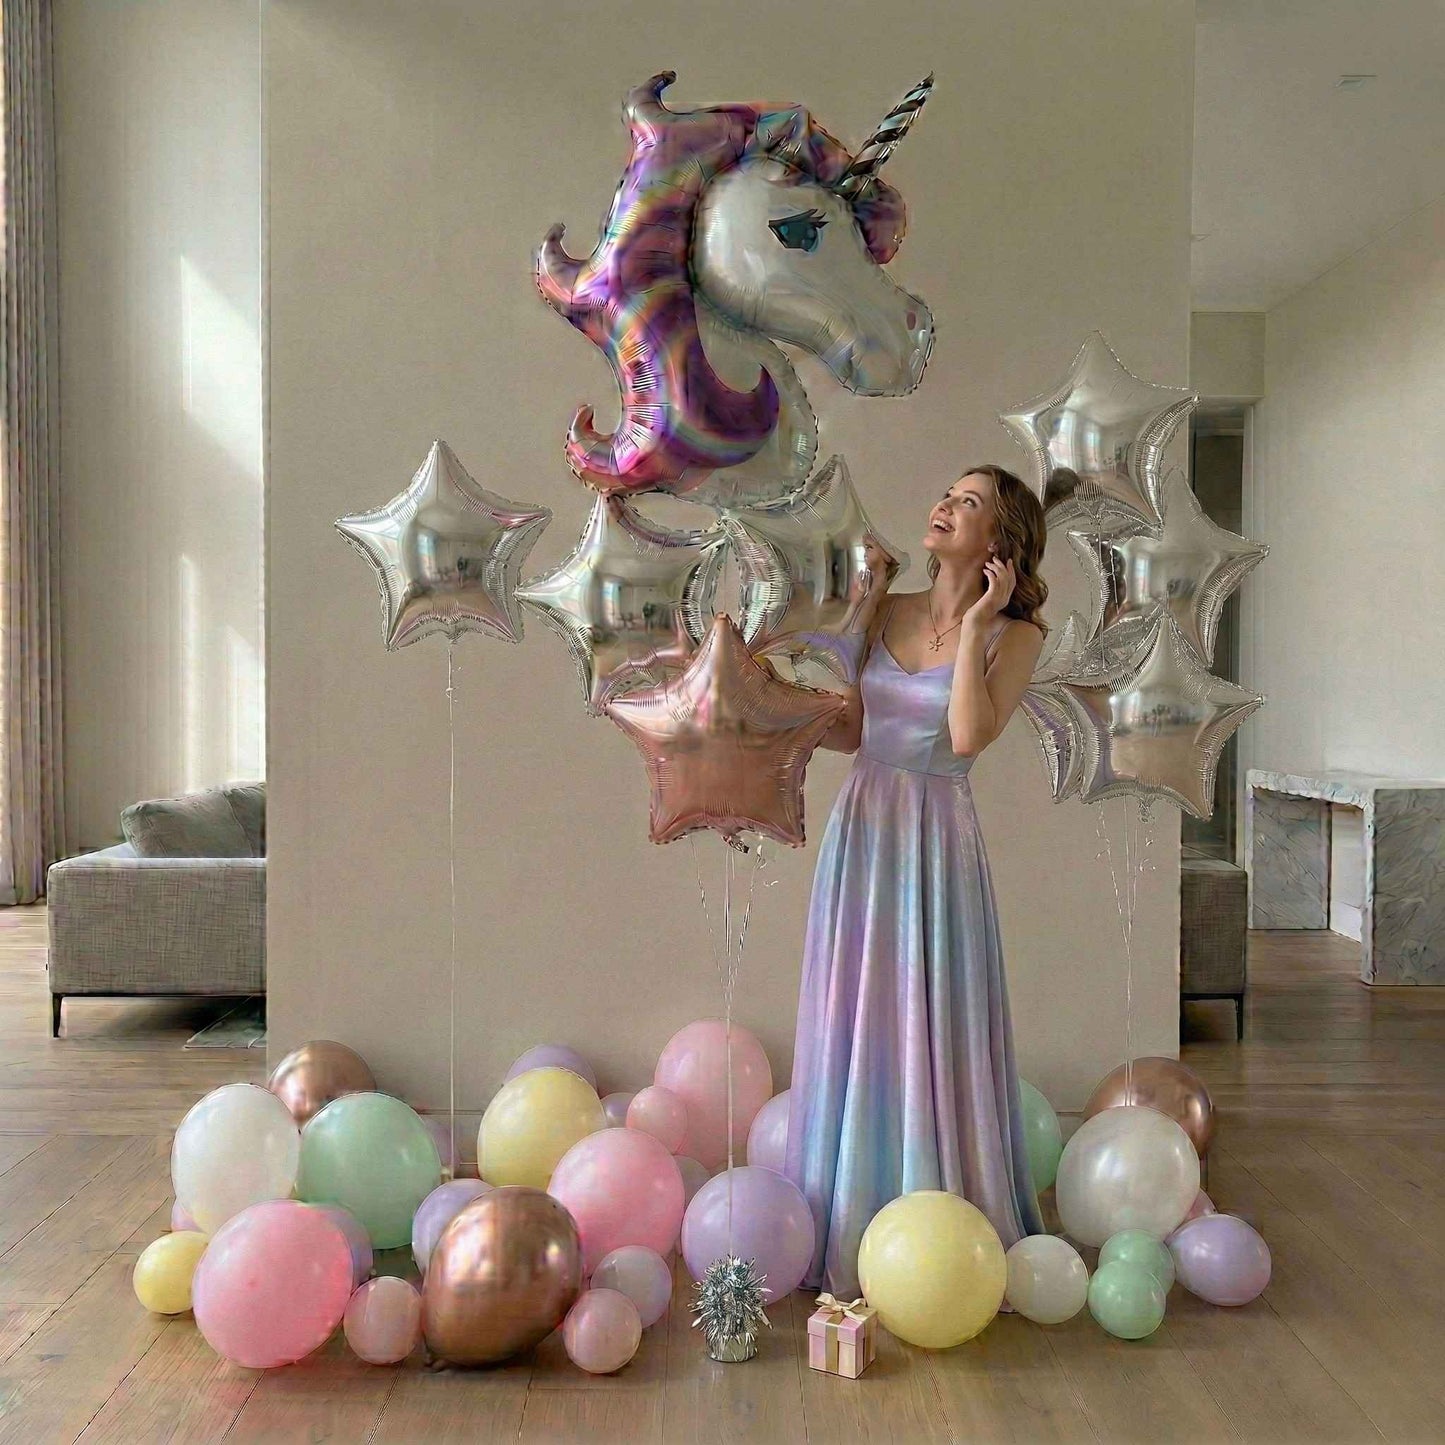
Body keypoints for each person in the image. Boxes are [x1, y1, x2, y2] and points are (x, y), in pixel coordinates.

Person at [784, 463, 1049, 1297]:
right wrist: (769, 710)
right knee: (858, 1011)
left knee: (931, 1017)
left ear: (998, 543)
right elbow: (855, 727)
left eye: (967, 502)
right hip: (864, 826)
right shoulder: (884, 606)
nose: (942, 503)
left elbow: (966, 737)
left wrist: (974, 625)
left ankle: (937, 1236)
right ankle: (849, 1218)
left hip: (937, 839)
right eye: (945, 492)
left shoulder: (1016, 635)